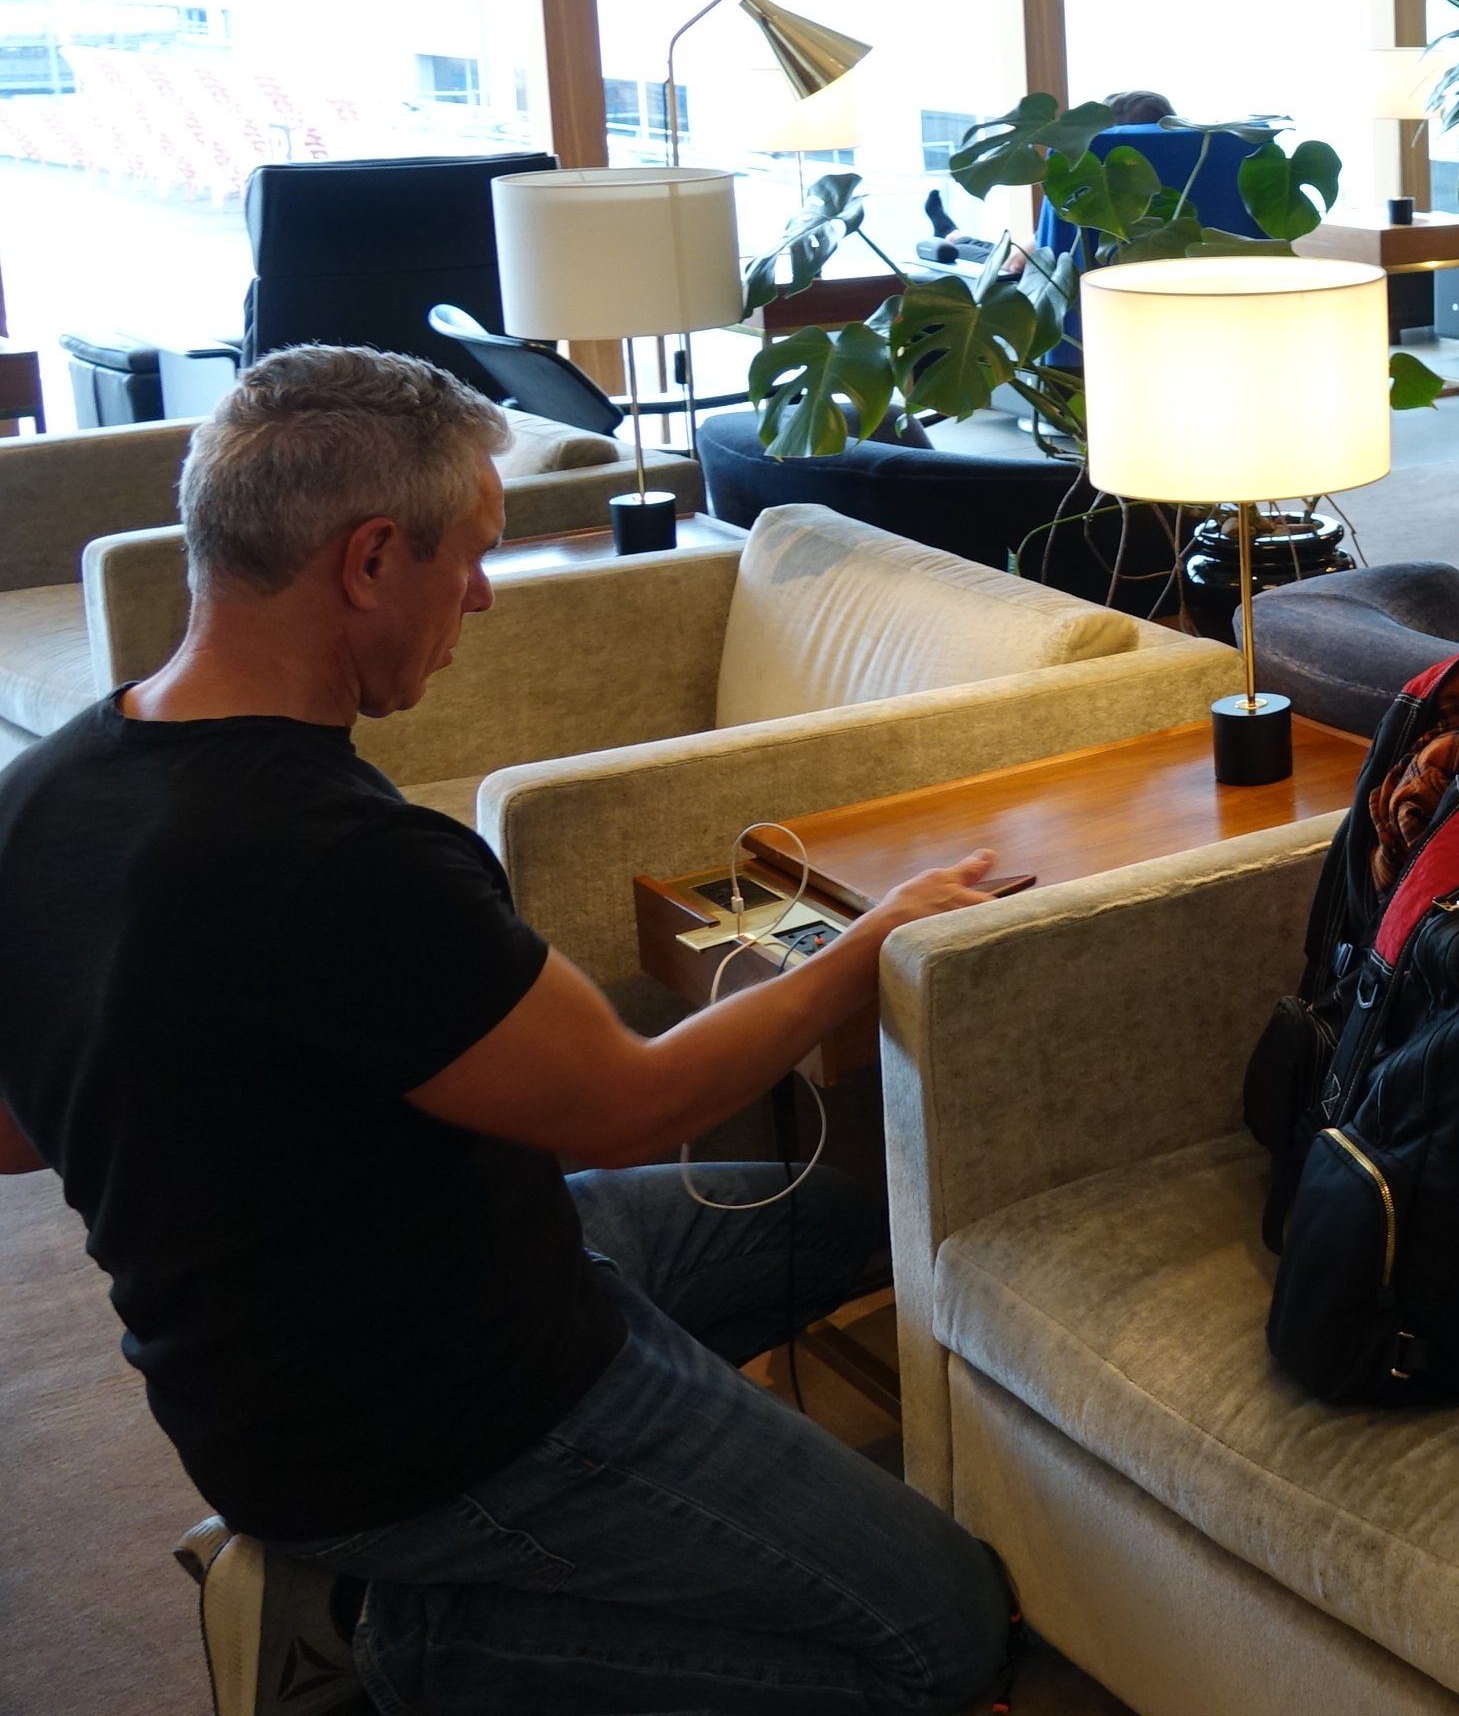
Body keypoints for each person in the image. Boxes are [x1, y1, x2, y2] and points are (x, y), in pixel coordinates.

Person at [0, 348, 1014, 1716]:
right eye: (469, 555)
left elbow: (15, 1130)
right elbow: (631, 1102)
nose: (479, 594)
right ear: (368, 560)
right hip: (439, 1414)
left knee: (826, 1226)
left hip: (346, 1329)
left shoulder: (45, 789)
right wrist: (873, 945)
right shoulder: (349, 861)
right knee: (944, 1631)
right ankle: (390, 1637)